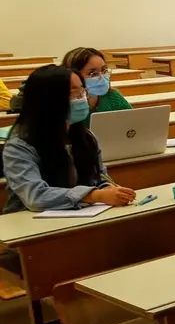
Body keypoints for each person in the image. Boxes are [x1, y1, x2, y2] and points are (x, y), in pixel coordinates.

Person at [2, 65, 135, 213]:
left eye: (82, 90)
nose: (82, 97)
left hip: (80, 214)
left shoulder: (86, 137)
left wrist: (111, 190)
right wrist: (95, 195)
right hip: (28, 223)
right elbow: (35, 196)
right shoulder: (19, 145)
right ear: (48, 99)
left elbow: (99, 178)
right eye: (74, 92)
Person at [64, 47, 133, 118]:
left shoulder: (112, 96)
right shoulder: (66, 107)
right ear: (75, 76)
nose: (102, 77)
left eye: (104, 70)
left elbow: (133, 122)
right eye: (92, 73)